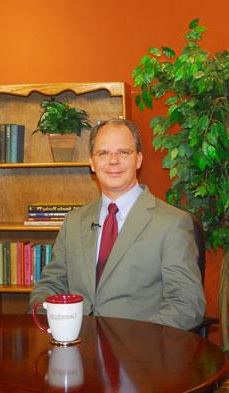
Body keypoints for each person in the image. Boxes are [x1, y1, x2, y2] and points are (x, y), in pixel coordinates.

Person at [29, 118, 205, 330]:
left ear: (138, 159)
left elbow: (187, 305)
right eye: (103, 153)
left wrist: (131, 344)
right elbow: (50, 284)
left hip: (140, 355)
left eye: (123, 152)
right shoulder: (74, 222)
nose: (113, 161)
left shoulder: (172, 223)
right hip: (77, 349)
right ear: (92, 163)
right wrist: (52, 322)